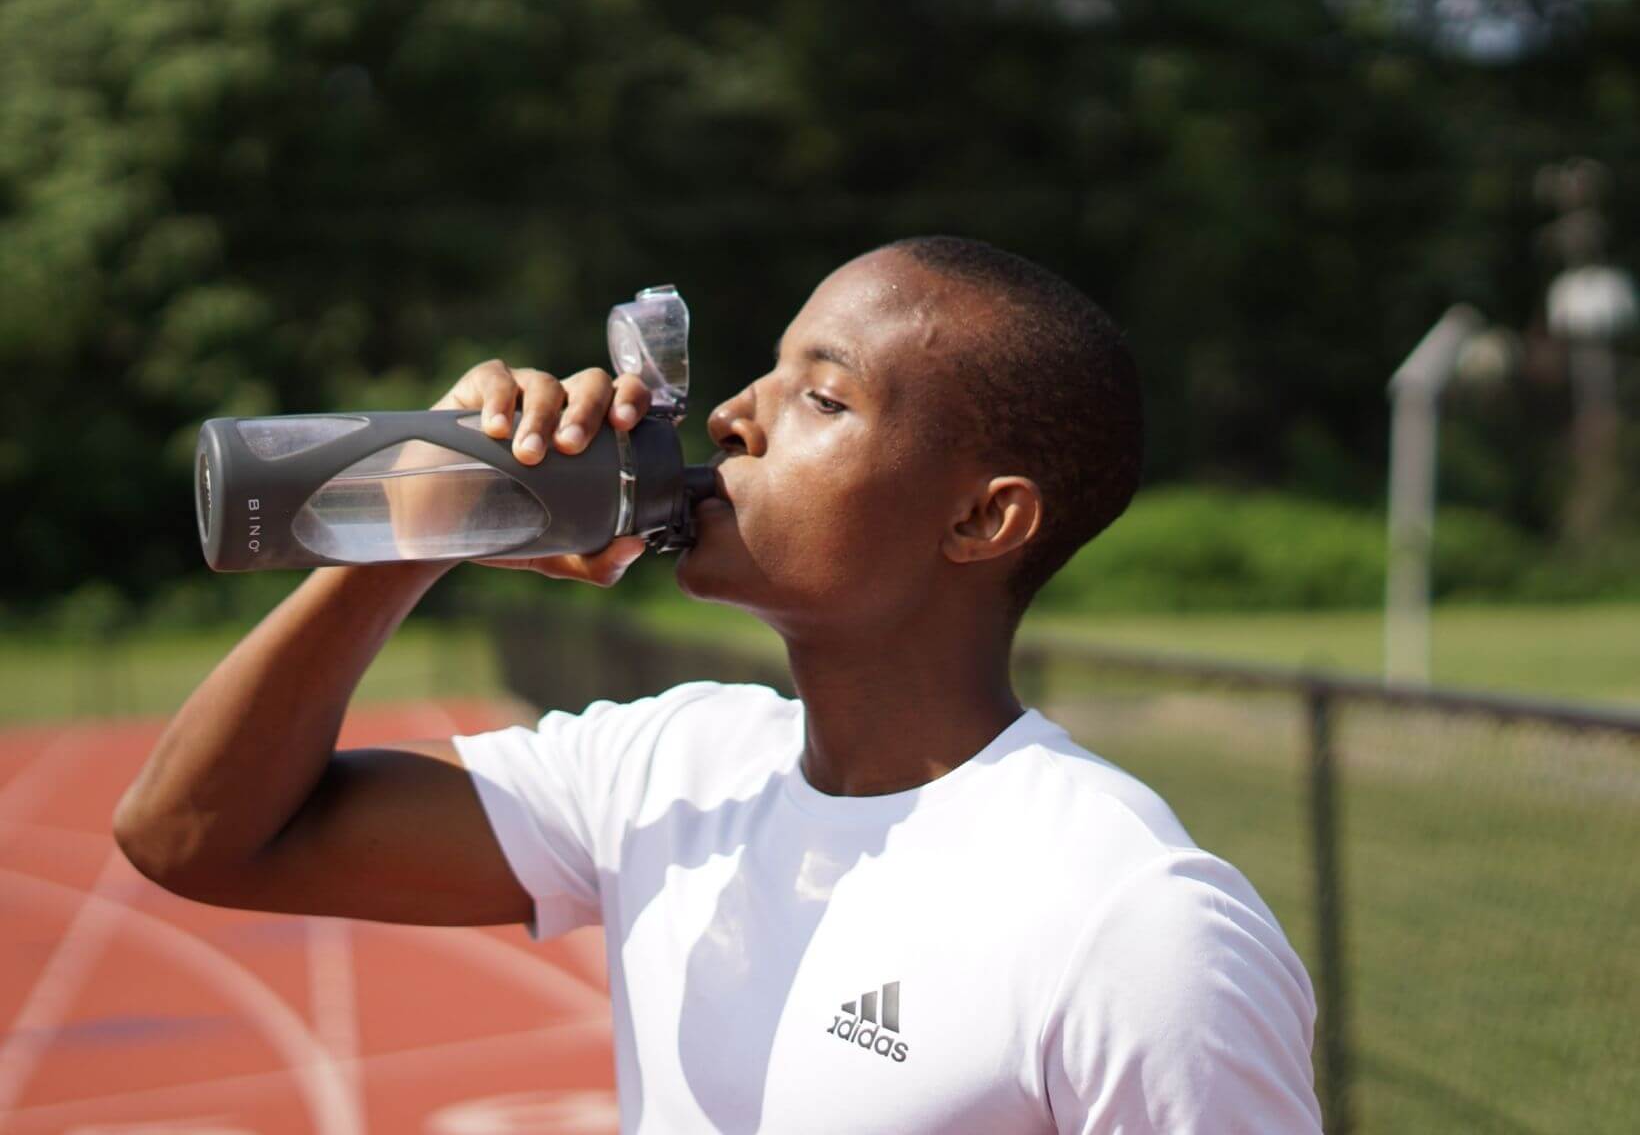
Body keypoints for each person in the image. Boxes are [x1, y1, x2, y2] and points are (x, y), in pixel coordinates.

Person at [115, 236, 1323, 1133]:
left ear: (979, 517)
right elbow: (196, 835)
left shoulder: (1132, 921)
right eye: (762, 375)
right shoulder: (671, 765)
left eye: (822, 396)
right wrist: (425, 517)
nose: (735, 418)